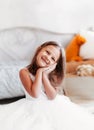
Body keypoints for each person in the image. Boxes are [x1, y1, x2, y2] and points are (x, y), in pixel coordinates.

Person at [0, 41, 94, 130]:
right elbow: (35, 94)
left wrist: (44, 75)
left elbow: (52, 96)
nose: (48, 57)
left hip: (54, 105)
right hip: (32, 106)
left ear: (54, 64)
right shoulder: (24, 72)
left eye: (53, 58)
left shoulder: (51, 75)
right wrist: (39, 72)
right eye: (47, 52)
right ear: (39, 50)